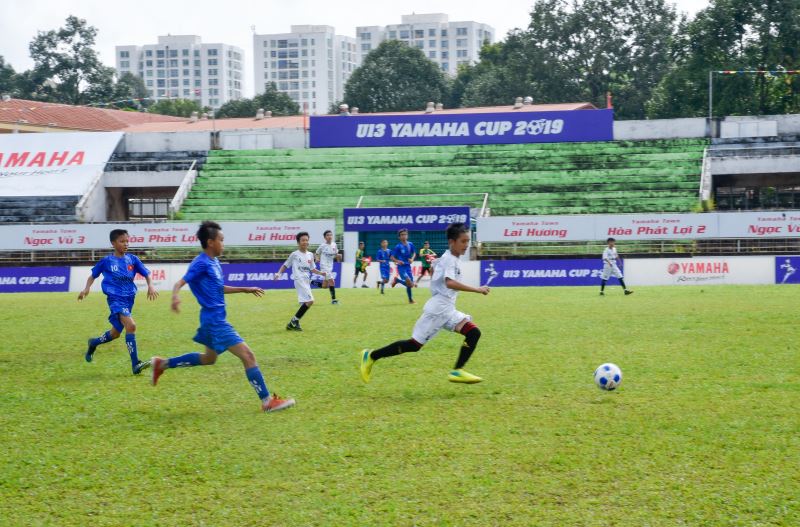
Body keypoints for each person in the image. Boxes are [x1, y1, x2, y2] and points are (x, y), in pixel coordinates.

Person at [150, 221, 295, 413]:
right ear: (210, 242)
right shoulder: (201, 263)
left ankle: (162, 363)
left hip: (212, 319)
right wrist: (175, 297)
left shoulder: (214, 262)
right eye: (221, 240)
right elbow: (179, 282)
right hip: (215, 322)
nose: (223, 244)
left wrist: (245, 289)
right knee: (248, 356)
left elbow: (217, 288)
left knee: (209, 359)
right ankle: (267, 401)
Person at [360, 223, 489, 384]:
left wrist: (435, 263)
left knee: (473, 333)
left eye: (468, 241)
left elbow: (439, 271)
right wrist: (477, 289)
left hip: (447, 308)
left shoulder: (448, 258)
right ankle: (371, 355)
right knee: (414, 345)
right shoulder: (450, 260)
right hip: (438, 309)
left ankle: (457, 370)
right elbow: (449, 282)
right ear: (452, 242)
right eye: (463, 241)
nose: (466, 245)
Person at [79, 229, 158, 375]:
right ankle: (136, 364)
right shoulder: (107, 261)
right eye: (122, 241)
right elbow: (92, 276)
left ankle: (94, 343)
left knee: (115, 334)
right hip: (115, 299)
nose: (126, 244)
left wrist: (151, 285)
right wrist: (86, 289)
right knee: (131, 325)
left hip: (129, 299)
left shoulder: (133, 260)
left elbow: (147, 274)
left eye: (127, 241)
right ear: (113, 243)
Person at [277, 231, 327, 331]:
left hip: (307, 281)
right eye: (303, 240)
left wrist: (321, 273)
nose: (305, 242)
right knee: (310, 301)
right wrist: (279, 273)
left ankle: (294, 322)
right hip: (299, 280)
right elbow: (285, 265)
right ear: (298, 242)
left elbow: (312, 269)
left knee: (307, 302)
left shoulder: (310, 255)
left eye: (306, 240)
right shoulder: (294, 254)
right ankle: (293, 322)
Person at [390, 229, 416, 304]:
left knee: (410, 285)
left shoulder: (410, 244)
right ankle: (410, 299)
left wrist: (412, 259)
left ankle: (410, 300)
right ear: (399, 237)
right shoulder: (398, 247)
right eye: (402, 235)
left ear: (407, 236)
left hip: (408, 267)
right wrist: (398, 261)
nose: (404, 236)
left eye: (405, 234)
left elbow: (414, 253)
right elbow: (392, 257)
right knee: (408, 280)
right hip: (401, 267)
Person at [315, 229, 341, 304]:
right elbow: (316, 253)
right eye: (328, 235)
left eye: (330, 235)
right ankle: (334, 300)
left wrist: (338, 257)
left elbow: (336, 254)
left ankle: (311, 282)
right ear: (325, 237)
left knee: (324, 286)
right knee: (332, 281)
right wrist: (317, 258)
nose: (329, 236)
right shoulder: (322, 246)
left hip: (330, 266)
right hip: (324, 265)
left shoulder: (334, 245)